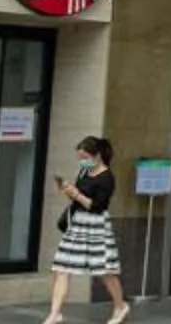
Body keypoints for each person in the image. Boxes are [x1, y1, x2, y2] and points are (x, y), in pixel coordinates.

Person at [44, 136, 128, 324]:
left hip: (96, 225)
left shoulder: (107, 177)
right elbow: (77, 199)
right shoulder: (84, 171)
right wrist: (68, 190)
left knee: (105, 270)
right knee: (62, 268)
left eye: (84, 157)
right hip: (77, 223)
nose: (82, 161)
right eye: (80, 157)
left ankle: (120, 306)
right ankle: (54, 314)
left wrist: (77, 194)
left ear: (97, 155)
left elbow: (98, 206)